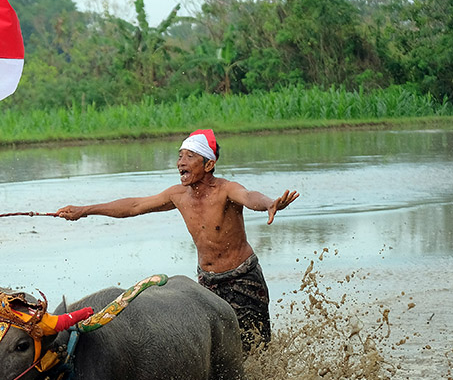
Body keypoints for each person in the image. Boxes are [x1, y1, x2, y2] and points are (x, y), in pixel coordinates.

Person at [55, 129, 299, 351]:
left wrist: (269, 203)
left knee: (254, 349)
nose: (181, 162)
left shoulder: (226, 190)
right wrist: (85, 210)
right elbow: (135, 205)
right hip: (207, 284)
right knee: (215, 351)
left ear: (208, 164)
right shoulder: (177, 195)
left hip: (242, 280)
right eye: (180, 156)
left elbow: (249, 196)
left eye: (190, 156)